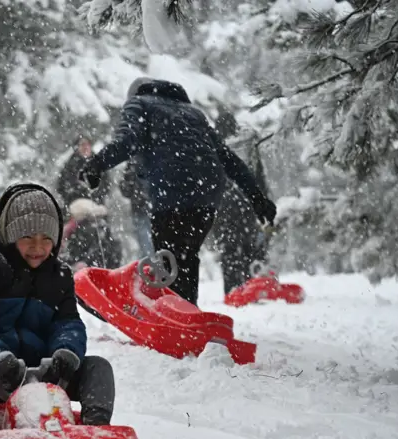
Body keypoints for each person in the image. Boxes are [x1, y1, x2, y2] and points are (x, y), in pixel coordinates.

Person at [79, 77, 277, 306]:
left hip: (172, 191)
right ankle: (187, 315)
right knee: (185, 257)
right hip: (208, 194)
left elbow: (128, 140)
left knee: (169, 260)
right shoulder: (193, 113)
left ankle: (176, 319)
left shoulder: (139, 103)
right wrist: (258, 198)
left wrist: (96, 165)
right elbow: (227, 158)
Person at [0, 181, 116, 434]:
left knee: (98, 367)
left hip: (45, 374)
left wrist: (65, 352)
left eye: (46, 239)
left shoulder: (60, 275)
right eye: (27, 238)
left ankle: (95, 433)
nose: (38, 247)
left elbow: (68, 323)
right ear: (11, 237)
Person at [209, 110, 272, 295]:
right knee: (250, 246)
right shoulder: (246, 147)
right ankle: (252, 285)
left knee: (229, 250)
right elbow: (259, 178)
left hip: (223, 208)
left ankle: (232, 290)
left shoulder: (213, 148)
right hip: (246, 205)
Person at [55, 136, 122, 268]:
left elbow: (105, 186)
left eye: (87, 144)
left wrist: (94, 196)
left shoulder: (97, 163)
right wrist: (80, 194)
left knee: (102, 237)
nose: (85, 147)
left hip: (96, 208)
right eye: (82, 145)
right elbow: (63, 187)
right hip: (75, 209)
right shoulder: (70, 165)